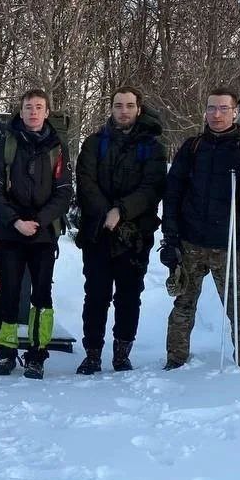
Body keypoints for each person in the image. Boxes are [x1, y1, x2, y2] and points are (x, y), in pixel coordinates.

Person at [159, 87, 240, 372]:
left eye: (224, 108)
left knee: (239, 311)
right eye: (211, 108)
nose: (216, 114)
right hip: (191, 242)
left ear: (235, 112)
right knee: (183, 305)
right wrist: (170, 237)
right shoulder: (193, 147)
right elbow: (172, 193)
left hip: (231, 245)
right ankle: (175, 362)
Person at [74, 86, 167, 375]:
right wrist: (106, 213)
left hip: (135, 234)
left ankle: (122, 353)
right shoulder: (94, 143)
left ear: (139, 108)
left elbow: (152, 188)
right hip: (98, 231)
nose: (123, 111)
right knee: (96, 294)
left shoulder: (152, 147)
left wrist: (122, 211)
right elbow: (85, 181)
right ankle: (92, 353)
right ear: (111, 108)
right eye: (118, 105)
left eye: (129, 105)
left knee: (128, 296)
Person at [0, 88, 73, 380]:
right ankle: (6, 352)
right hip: (11, 233)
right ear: (20, 111)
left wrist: (38, 220)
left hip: (43, 234)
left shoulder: (58, 147)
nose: (33, 112)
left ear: (47, 112)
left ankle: (37, 355)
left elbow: (64, 193)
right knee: (8, 292)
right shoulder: (7, 143)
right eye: (28, 107)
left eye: (38, 107)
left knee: (42, 295)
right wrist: (16, 221)